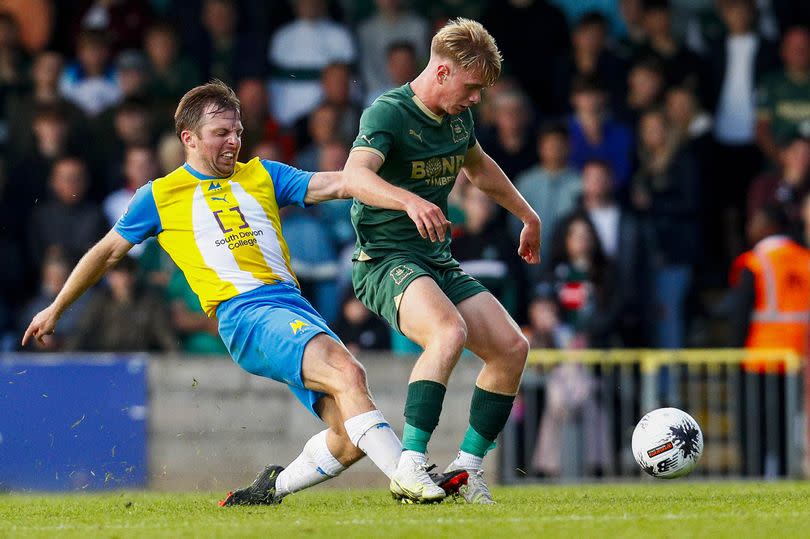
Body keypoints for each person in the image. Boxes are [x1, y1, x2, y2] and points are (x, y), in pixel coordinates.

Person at [22, 80, 466, 505]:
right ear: (188, 138)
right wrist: (57, 307)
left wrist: (403, 194)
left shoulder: (262, 174)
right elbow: (104, 253)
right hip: (246, 312)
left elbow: (341, 183)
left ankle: (269, 489)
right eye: (221, 133)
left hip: (294, 307)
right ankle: (410, 473)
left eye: (237, 131)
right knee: (347, 373)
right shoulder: (158, 196)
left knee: (349, 435)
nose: (233, 141)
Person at [346, 18, 541, 504]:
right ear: (442, 71)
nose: (476, 99)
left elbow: (478, 167)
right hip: (384, 259)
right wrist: (408, 201)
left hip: (435, 261)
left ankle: (467, 471)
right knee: (448, 331)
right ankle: (410, 465)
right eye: (472, 87)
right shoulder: (387, 113)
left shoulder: (458, 118)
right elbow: (354, 176)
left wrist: (527, 215)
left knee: (512, 348)